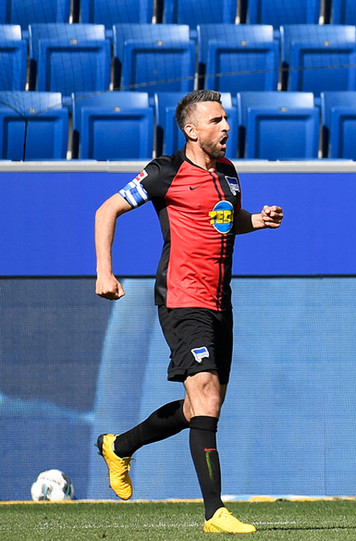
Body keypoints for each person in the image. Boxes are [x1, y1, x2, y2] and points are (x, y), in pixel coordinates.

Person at [94, 89, 283, 534]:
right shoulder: (164, 172)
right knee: (207, 395)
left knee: (200, 406)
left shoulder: (229, 174)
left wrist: (255, 219)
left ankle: (118, 446)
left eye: (226, 119)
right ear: (191, 129)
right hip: (182, 299)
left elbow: (224, 220)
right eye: (215, 121)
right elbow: (108, 210)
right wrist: (106, 271)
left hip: (221, 301)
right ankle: (214, 512)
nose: (225, 127)